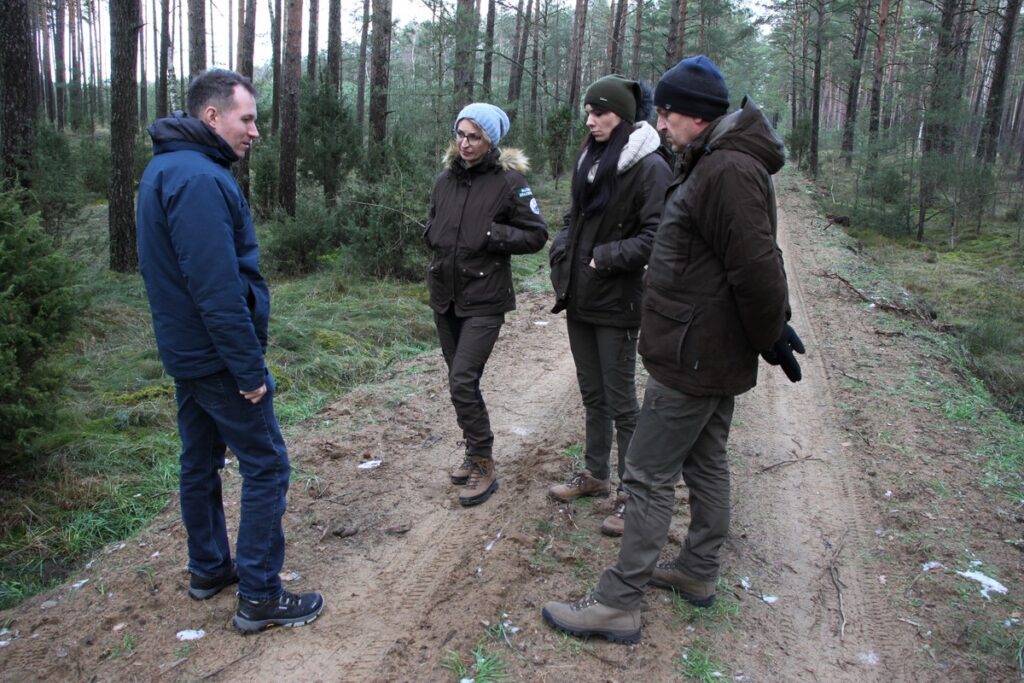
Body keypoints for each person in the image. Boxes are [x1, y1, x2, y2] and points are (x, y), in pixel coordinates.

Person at [541, 55, 805, 642]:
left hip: (694, 352)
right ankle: (696, 570)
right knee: (705, 461)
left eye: (665, 113)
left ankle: (619, 602)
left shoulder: (727, 170)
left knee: (646, 474)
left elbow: (757, 267)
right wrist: (767, 332)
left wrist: (770, 333)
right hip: (706, 346)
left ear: (695, 115)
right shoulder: (714, 160)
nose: (658, 123)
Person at [136, 69, 324, 634]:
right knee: (266, 465)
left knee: (199, 460)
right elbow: (215, 289)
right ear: (212, 117)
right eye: (247, 118)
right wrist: (248, 369)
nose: (256, 131)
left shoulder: (167, 168)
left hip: (187, 353)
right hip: (217, 357)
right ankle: (261, 595)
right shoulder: (196, 179)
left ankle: (210, 569)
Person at [547, 75, 672, 537]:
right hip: (580, 296)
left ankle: (631, 494)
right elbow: (573, 215)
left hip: (618, 299)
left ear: (622, 115)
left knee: (622, 401)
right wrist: (563, 249)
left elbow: (657, 236)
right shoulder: (591, 156)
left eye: (599, 112)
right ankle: (595, 474)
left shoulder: (650, 167)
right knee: (592, 392)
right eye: (588, 111)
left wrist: (605, 256)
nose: (591, 120)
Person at [424, 103, 549, 506]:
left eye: (474, 136)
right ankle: (473, 449)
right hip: (446, 296)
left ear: (490, 140)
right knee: (460, 382)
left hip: (485, 298)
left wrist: (491, 234)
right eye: (461, 134)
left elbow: (535, 235)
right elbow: (434, 224)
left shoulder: (510, 183)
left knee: (462, 379)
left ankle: (484, 462)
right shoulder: (445, 181)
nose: (465, 143)